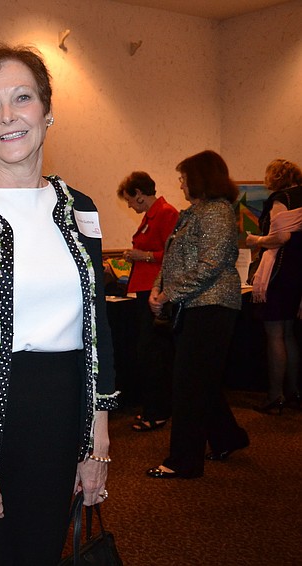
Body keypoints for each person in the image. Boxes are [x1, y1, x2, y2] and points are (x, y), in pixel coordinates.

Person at [0, 42, 117, 565]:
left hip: (62, 415)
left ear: (48, 112)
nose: (7, 116)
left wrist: (96, 445)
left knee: (39, 551)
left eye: (22, 98)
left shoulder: (81, 208)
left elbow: (97, 326)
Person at [147, 150, 250, 479]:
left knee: (189, 385)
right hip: (195, 306)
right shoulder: (193, 212)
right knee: (200, 380)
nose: (181, 184)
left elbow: (212, 262)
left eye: (184, 177)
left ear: (201, 178)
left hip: (213, 307)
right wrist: (157, 287)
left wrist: (169, 293)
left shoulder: (217, 211)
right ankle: (228, 437)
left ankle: (184, 461)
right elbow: (172, 257)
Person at [116, 171, 179, 431]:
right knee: (148, 353)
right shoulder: (150, 216)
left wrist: (144, 256)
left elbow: (173, 254)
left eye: (130, 199)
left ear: (139, 194)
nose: (130, 205)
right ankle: (154, 408)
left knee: (152, 353)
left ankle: (159, 410)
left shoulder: (166, 213)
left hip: (157, 291)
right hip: (144, 288)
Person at [245, 158, 302, 414]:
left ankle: (274, 395)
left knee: (274, 334)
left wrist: (255, 239)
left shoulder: (281, 199)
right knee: (289, 333)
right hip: (297, 271)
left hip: (278, 272)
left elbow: (281, 236)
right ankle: (293, 391)